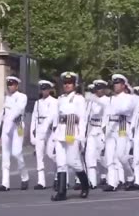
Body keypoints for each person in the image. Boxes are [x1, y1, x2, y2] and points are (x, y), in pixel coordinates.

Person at [52, 71, 90, 201]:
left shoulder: (79, 99)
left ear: (75, 84)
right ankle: (61, 192)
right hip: (60, 132)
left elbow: (83, 119)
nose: (67, 85)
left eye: (70, 83)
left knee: (73, 162)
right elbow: (56, 117)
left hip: (72, 131)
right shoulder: (60, 98)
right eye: (65, 83)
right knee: (61, 163)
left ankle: (85, 186)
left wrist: (81, 138)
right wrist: (54, 133)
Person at [0, 76, 29, 192]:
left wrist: (8, 124)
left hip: (17, 126)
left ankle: (24, 176)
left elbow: (18, 110)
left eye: (12, 84)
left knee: (17, 153)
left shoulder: (22, 97)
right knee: (5, 156)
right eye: (8, 84)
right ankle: (5, 183)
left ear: (17, 85)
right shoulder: (7, 98)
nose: (10, 86)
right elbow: (2, 114)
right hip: (6, 128)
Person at [102, 74, 136, 191]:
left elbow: (126, 110)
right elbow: (105, 115)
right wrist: (104, 128)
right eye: (114, 84)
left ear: (123, 85)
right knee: (110, 157)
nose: (115, 86)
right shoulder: (110, 99)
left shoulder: (129, 98)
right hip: (111, 128)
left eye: (118, 84)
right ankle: (112, 183)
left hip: (122, 127)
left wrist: (114, 110)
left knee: (121, 156)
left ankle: (131, 176)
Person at [30, 80, 58, 190]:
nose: (44, 91)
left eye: (45, 89)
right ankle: (41, 181)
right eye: (42, 89)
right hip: (40, 130)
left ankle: (58, 176)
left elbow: (53, 116)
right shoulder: (38, 103)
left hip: (50, 131)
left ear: (49, 90)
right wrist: (33, 133)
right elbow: (34, 118)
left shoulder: (54, 101)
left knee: (51, 154)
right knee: (39, 156)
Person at [85, 79, 111, 188]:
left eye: (100, 88)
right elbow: (87, 116)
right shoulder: (91, 101)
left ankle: (109, 178)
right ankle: (92, 182)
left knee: (103, 158)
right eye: (96, 89)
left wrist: (94, 99)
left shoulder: (108, 100)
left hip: (102, 131)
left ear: (104, 89)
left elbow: (105, 112)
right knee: (90, 157)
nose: (98, 91)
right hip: (92, 131)